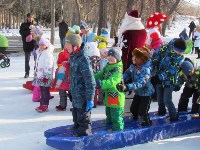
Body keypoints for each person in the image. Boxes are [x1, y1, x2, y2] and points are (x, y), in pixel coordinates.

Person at [65, 33, 96, 137]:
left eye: (68, 45)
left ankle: (85, 131)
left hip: (83, 93)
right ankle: (77, 125)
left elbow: (90, 80)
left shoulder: (83, 59)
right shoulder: (74, 56)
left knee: (83, 113)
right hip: (75, 92)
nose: (66, 47)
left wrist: (90, 98)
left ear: (75, 45)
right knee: (76, 110)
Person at [117, 47, 154, 126]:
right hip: (138, 92)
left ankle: (146, 122)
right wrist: (120, 81)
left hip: (146, 93)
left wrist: (127, 87)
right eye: (133, 56)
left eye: (135, 57)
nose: (132, 58)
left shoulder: (146, 70)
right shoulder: (133, 66)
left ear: (141, 59)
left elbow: (141, 83)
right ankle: (135, 117)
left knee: (143, 110)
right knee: (133, 109)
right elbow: (126, 74)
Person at [152, 38, 186, 121]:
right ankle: (161, 111)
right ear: (174, 47)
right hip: (158, 75)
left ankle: (173, 116)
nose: (181, 53)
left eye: (182, 52)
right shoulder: (164, 48)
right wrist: (155, 62)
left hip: (169, 80)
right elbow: (156, 55)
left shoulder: (180, 58)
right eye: (179, 51)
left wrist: (159, 77)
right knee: (159, 98)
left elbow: (172, 70)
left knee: (167, 100)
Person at [95, 48, 125, 131]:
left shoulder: (117, 70)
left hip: (116, 96)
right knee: (108, 112)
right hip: (109, 95)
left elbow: (112, 81)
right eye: (109, 56)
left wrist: (101, 83)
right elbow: (99, 74)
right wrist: (92, 77)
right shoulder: (107, 66)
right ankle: (109, 124)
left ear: (118, 58)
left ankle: (117, 130)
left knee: (116, 114)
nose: (110, 58)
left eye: (113, 56)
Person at [33, 37, 54, 113]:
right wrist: (36, 72)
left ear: (47, 45)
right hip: (40, 75)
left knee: (45, 91)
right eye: (40, 45)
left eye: (43, 45)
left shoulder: (48, 54)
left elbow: (49, 65)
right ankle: (42, 104)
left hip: (45, 76)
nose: (41, 46)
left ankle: (45, 106)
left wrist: (46, 75)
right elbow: (38, 64)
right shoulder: (39, 53)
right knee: (42, 91)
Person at [19, 13, 35, 78]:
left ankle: (36, 72)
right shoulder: (23, 25)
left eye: (31, 17)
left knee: (36, 59)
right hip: (27, 44)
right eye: (29, 17)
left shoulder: (35, 25)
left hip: (34, 44)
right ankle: (27, 73)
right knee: (27, 60)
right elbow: (21, 32)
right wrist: (29, 30)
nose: (30, 18)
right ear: (27, 18)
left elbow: (39, 33)